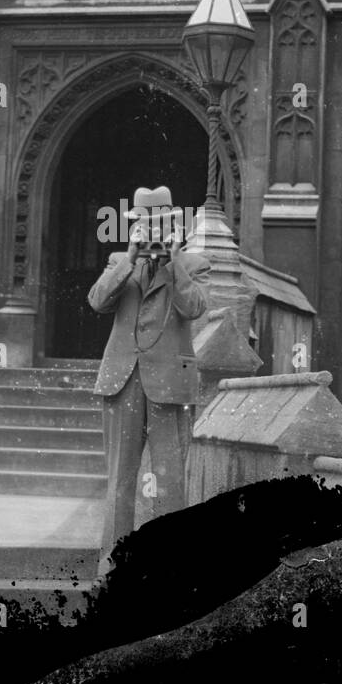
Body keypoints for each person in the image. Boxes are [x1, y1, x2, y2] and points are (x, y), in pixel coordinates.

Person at [87, 185, 211, 577]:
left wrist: (174, 263)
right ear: (134, 225)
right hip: (123, 383)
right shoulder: (118, 263)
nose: (152, 233)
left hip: (170, 385)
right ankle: (113, 571)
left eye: (159, 225)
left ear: (174, 225)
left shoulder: (193, 264)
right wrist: (129, 257)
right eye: (144, 224)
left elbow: (194, 308)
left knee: (170, 482)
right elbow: (96, 301)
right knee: (120, 483)